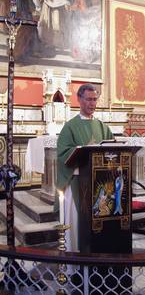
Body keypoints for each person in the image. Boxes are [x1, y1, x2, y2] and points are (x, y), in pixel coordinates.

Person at [56, 83, 114, 252]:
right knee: (76, 226)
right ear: (79, 100)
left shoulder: (103, 127)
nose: (92, 104)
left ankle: (98, 259)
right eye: (89, 99)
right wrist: (82, 152)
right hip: (78, 183)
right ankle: (75, 262)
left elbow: (112, 149)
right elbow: (63, 155)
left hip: (100, 186)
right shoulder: (70, 127)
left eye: (95, 99)